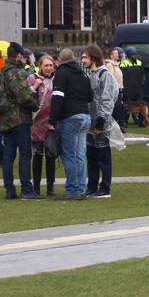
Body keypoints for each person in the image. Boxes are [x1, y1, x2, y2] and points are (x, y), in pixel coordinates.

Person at [0, 43, 40, 200]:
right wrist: (35, 106)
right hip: (19, 119)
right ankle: (27, 188)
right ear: (18, 55)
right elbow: (24, 97)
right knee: (25, 154)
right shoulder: (16, 73)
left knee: (8, 156)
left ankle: (9, 189)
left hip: (4, 120)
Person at [49, 47, 93, 200]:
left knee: (69, 155)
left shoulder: (61, 73)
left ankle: (72, 189)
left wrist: (52, 120)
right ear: (73, 59)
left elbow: (57, 98)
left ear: (60, 60)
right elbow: (90, 96)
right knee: (80, 155)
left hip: (70, 117)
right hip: (85, 116)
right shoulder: (82, 74)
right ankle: (81, 188)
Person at [83, 45, 119, 199]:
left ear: (93, 58)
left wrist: (100, 123)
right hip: (90, 121)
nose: (83, 60)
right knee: (91, 156)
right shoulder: (91, 74)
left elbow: (108, 100)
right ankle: (91, 186)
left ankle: (105, 187)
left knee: (103, 155)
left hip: (100, 122)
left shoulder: (105, 75)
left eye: (85, 57)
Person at [28, 53, 57, 196]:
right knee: (38, 155)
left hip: (52, 122)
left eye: (51, 65)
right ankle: (36, 187)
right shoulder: (33, 78)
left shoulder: (57, 79)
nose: (49, 68)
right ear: (40, 66)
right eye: (46, 65)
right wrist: (34, 86)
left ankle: (50, 187)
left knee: (51, 155)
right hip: (37, 122)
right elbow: (26, 97)